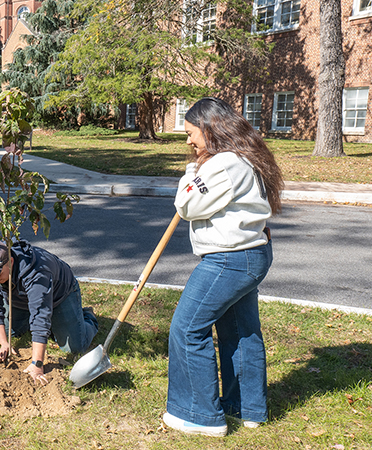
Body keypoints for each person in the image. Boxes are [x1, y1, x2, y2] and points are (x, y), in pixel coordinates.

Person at [164, 97, 283, 437]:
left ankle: (200, 414)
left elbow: (187, 204)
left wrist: (194, 167)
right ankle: (246, 407)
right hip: (250, 255)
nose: (189, 141)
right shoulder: (244, 157)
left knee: (187, 329)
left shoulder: (224, 163)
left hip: (229, 259)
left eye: (191, 134)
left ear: (209, 128)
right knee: (240, 331)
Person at [0, 240, 99, 386]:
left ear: (10, 262)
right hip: (20, 298)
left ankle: (87, 316)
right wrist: (3, 343)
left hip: (59, 296)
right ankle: (49, 323)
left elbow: (40, 315)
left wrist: (37, 363)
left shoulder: (36, 271)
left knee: (75, 347)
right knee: (11, 332)